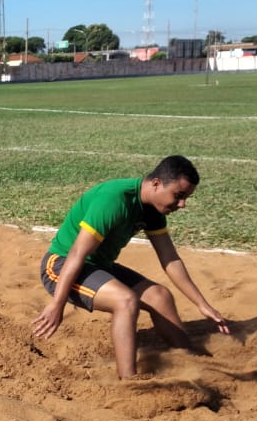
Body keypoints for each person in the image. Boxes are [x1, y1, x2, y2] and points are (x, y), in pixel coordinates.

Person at [32, 155, 230, 378]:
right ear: (156, 184)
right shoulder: (113, 200)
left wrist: (202, 305)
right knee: (126, 300)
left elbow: (169, 258)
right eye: (179, 195)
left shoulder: (154, 209)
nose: (182, 204)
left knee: (160, 296)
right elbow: (77, 253)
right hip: (60, 266)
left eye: (186, 198)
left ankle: (190, 362)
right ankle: (129, 381)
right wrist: (57, 304)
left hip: (99, 266)